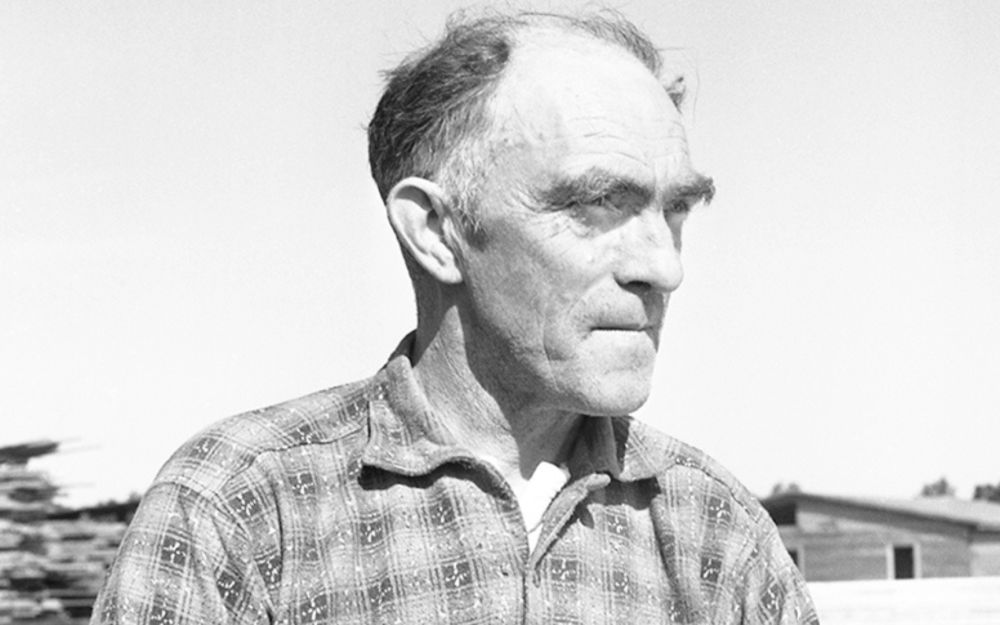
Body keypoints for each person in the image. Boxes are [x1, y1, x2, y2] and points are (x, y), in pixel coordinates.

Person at [91, 9, 819, 625]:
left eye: (676, 209)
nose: (664, 267)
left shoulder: (714, 530)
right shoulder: (245, 509)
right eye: (599, 205)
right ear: (436, 232)